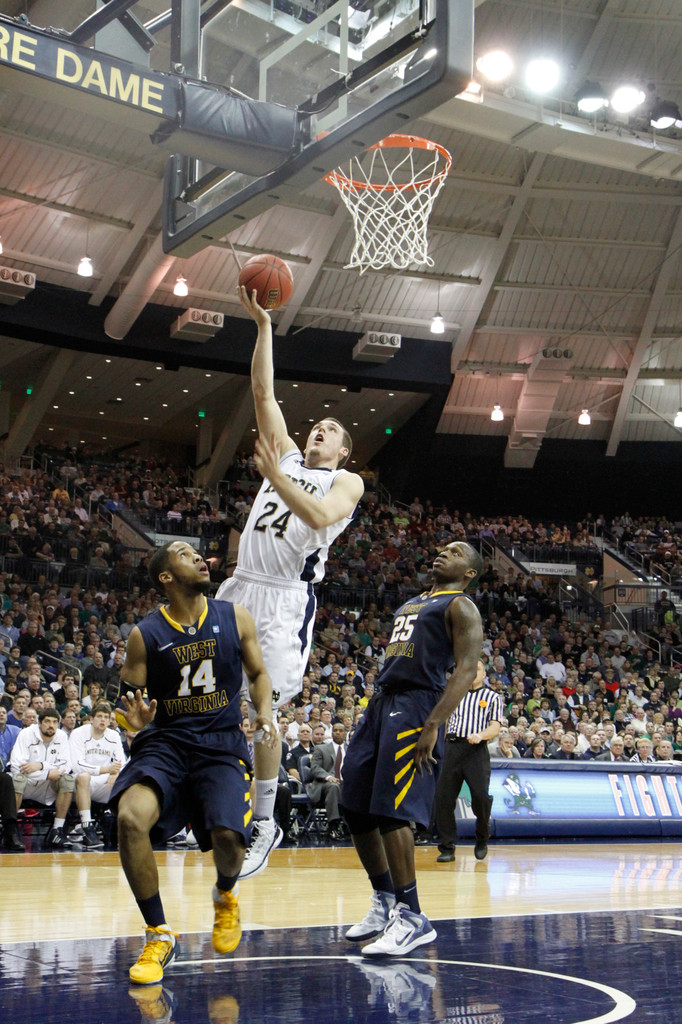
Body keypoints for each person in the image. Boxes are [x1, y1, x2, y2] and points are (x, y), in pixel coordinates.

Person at [215, 287, 364, 879]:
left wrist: (277, 474)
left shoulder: (346, 483)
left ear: (345, 449)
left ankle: (266, 820)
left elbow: (322, 519)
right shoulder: (286, 455)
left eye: (332, 429)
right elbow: (263, 392)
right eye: (318, 425)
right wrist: (264, 328)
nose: (320, 430)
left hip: (283, 601)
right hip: (239, 586)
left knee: (263, 713)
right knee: (202, 697)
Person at [110, 541, 275, 986]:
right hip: (165, 741)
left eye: (199, 554)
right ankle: (158, 933)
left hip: (220, 743)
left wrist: (265, 709)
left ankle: (225, 895)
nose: (201, 558)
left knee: (228, 839)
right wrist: (134, 719)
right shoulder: (145, 634)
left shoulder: (234, 615)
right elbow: (124, 706)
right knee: (130, 817)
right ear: (166, 576)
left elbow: (259, 674)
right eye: (185, 554)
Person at [341, 541, 483, 957]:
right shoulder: (413, 602)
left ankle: (413, 916)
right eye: (441, 548)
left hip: (418, 704)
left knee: (392, 808)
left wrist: (433, 723)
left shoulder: (461, 606)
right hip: (384, 701)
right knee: (354, 803)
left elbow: (467, 669)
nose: (442, 551)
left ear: (469, 572)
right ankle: (385, 900)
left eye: (455, 551)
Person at [434, 660, 503, 864]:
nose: (473, 673)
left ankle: (482, 837)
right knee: (444, 799)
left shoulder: (492, 697)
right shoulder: (454, 693)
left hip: (476, 750)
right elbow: (445, 722)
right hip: (452, 747)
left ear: (483, 674)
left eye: (477, 669)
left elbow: (495, 727)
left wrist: (481, 735)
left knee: (481, 797)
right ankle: (447, 847)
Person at [10, 707, 75, 848]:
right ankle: (11, 830)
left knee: (67, 780)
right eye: (47, 721)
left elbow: (67, 765)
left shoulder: (62, 736)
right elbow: (17, 766)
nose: (51, 725)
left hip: (48, 785)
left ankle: (56, 830)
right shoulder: (26, 734)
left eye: (54, 722)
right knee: (18, 779)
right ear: (39, 723)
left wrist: (40, 765)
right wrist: (47, 771)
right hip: (27, 784)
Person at [71, 699, 127, 848]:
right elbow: (77, 765)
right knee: (83, 776)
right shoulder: (78, 733)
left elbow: (122, 762)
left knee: (125, 780)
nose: (103, 720)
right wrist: (106, 770)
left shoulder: (114, 735)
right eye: (99, 716)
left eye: (106, 717)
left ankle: (122, 827)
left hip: (105, 782)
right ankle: (87, 826)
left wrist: (115, 773)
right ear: (91, 719)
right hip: (80, 784)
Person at [306, 721, 348, 841]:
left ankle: (356, 826)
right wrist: (329, 777)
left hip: (346, 784)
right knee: (333, 786)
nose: (338, 733)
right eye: (335, 730)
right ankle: (333, 827)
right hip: (324, 785)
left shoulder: (351, 749)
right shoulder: (321, 748)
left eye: (340, 731)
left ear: (345, 734)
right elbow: (315, 768)